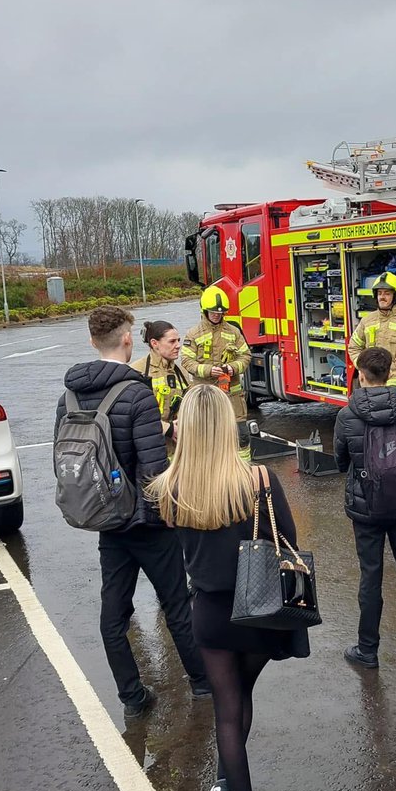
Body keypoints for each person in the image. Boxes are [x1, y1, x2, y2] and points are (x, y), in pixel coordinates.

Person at [148, 386, 310, 791]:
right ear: (225, 427)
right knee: (241, 697)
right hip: (259, 609)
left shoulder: (169, 488)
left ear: (185, 432)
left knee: (227, 707)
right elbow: (289, 543)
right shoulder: (258, 480)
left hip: (211, 613)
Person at [54, 305, 211, 718]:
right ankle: (202, 684)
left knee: (113, 614)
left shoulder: (67, 395)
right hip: (147, 523)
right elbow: (153, 468)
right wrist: (163, 514)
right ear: (128, 339)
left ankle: (132, 696)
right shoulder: (135, 392)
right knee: (177, 606)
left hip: (107, 522)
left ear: (92, 341)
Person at [333, 346, 396, 667]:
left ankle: (368, 649)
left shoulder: (347, 415)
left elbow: (340, 460)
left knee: (370, 576)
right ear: (390, 373)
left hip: (367, 507)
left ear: (361, 374)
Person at [181, 286, 252, 420]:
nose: (216, 315)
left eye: (220, 313)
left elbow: (246, 355)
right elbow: (186, 361)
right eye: (213, 312)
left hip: (231, 396)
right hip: (204, 394)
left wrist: (233, 367)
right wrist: (209, 370)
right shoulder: (193, 334)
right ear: (205, 311)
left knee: (238, 435)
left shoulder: (233, 332)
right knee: (207, 433)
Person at [131, 320, 190, 456]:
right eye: (172, 341)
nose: (178, 346)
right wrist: (167, 429)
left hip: (179, 448)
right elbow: (134, 416)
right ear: (154, 343)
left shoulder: (181, 372)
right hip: (151, 449)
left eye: (178, 341)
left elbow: (189, 404)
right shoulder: (137, 371)